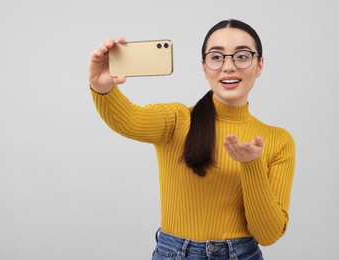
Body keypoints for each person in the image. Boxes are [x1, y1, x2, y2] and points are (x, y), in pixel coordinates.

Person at [88, 19, 295, 260]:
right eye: (216, 57)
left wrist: (251, 165)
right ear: (204, 67)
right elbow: (129, 120)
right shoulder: (177, 120)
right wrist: (101, 88)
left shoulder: (278, 140)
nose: (228, 66)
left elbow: (268, 235)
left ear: (259, 65)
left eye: (241, 56)